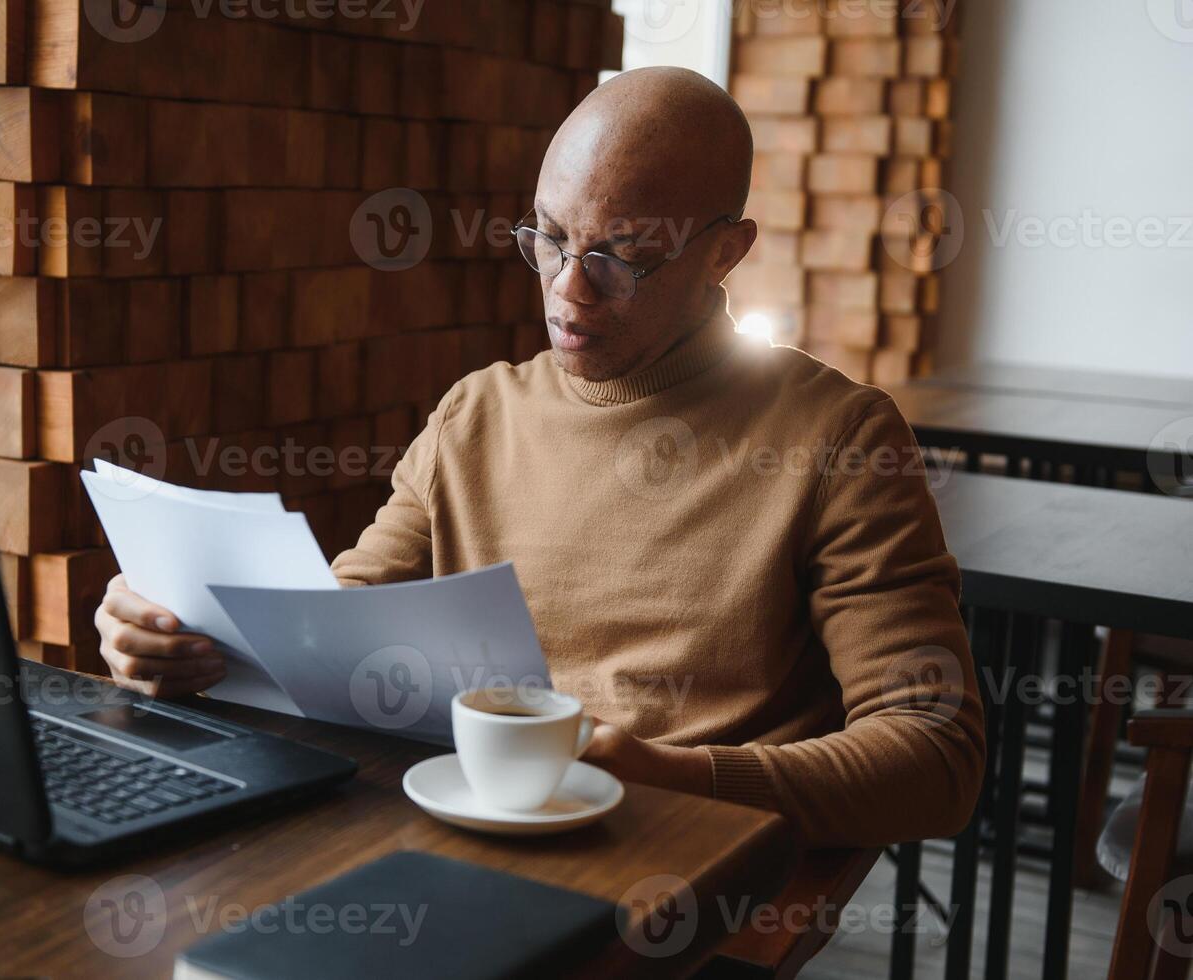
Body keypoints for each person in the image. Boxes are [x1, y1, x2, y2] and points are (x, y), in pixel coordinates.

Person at [92, 66, 985, 848]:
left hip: (682, 867)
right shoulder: (477, 414)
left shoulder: (840, 439)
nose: (568, 289)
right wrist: (192, 642)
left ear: (726, 251)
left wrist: (688, 780)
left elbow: (935, 754)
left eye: (622, 255)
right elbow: (341, 623)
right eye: (549, 237)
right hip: (446, 837)